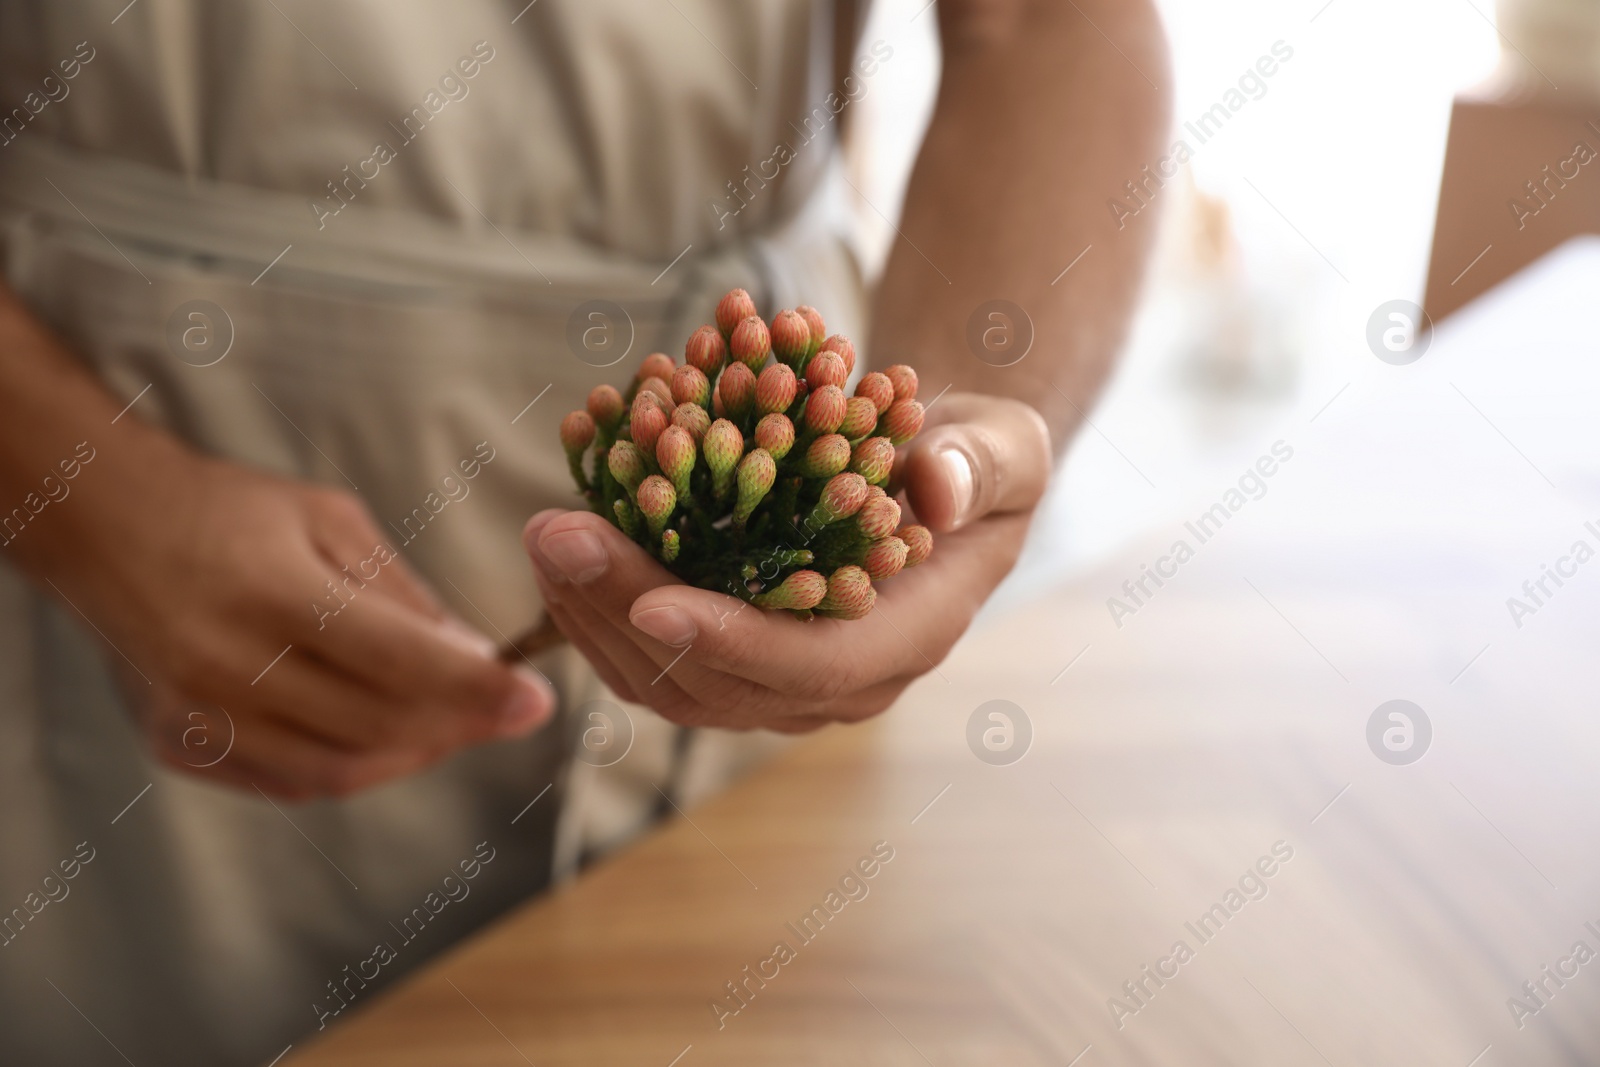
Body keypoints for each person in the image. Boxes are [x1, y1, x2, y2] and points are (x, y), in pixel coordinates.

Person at [0, 0, 1167, 1063]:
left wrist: (922, 472)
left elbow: (1045, 23)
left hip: (761, 500)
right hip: (125, 449)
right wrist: (81, 495)